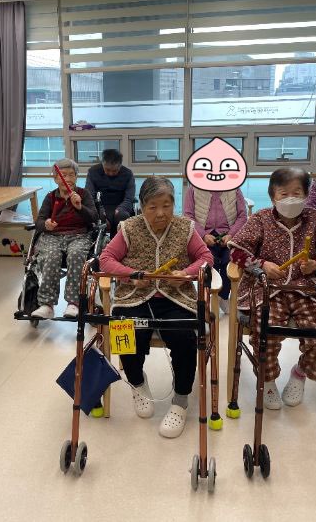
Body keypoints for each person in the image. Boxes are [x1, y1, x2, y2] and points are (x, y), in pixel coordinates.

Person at [99, 176, 213, 438]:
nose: (160, 213)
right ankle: (137, 383)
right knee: (124, 331)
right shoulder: (129, 227)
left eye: (166, 206)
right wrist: (131, 275)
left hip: (175, 296)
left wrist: (186, 273)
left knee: (184, 338)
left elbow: (206, 257)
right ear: (142, 206)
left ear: (174, 204)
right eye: (153, 207)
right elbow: (106, 259)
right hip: (134, 296)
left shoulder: (185, 227)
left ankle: (180, 401)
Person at [228, 167, 316, 410]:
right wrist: (262, 264)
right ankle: (268, 380)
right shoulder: (260, 219)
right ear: (273, 196)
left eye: (297, 193)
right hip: (268, 288)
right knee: (265, 330)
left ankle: (300, 372)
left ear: (306, 195)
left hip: (308, 290)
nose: (290, 199)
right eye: (284, 194)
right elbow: (237, 252)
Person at [31, 158, 98, 320]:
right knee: (51, 255)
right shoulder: (50, 197)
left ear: (76, 177)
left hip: (79, 235)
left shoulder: (84, 194)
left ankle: (73, 303)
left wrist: (80, 207)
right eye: (63, 175)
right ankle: (47, 305)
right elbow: (39, 222)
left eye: (71, 175)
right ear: (56, 179)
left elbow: (94, 218)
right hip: (52, 236)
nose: (67, 179)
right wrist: (46, 224)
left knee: (76, 254)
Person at [183, 184, 248, 313]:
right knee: (208, 263)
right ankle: (207, 298)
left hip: (228, 235)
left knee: (229, 261)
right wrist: (203, 235)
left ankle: (223, 296)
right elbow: (188, 216)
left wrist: (231, 234)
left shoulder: (234, 189)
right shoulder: (193, 189)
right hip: (203, 236)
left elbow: (242, 216)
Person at [85, 149, 135, 238]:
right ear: (102, 164)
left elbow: (129, 197)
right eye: (107, 170)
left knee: (121, 216)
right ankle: (99, 243)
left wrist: (121, 208)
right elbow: (89, 195)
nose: (111, 173)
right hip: (100, 204)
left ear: (120, 166)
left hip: (121, 205)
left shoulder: (128, 174)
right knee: (98, 216)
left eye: (115, 171)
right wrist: (101, 210)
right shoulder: (93, 172)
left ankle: (118, 242)